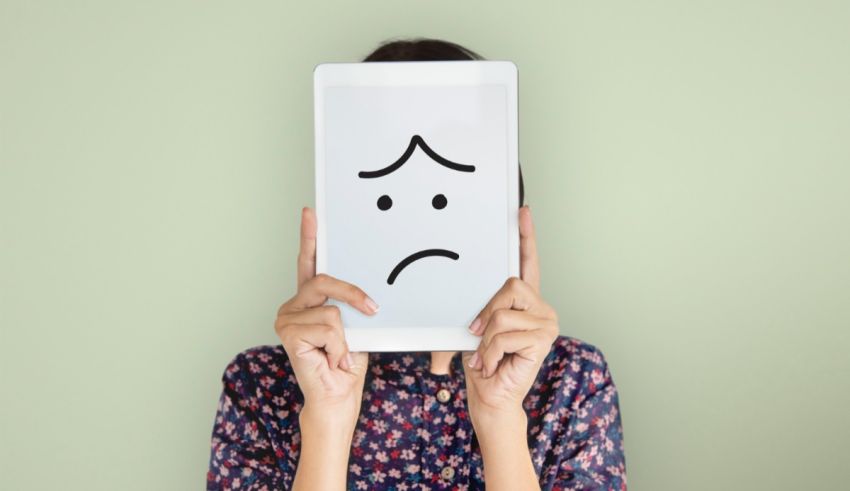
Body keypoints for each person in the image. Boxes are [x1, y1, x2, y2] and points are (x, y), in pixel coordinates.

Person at [207, 38, 626, 491]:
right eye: (387, 198)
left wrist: (501, 415)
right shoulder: (261, 386)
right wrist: (328, 415)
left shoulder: (571, 380)